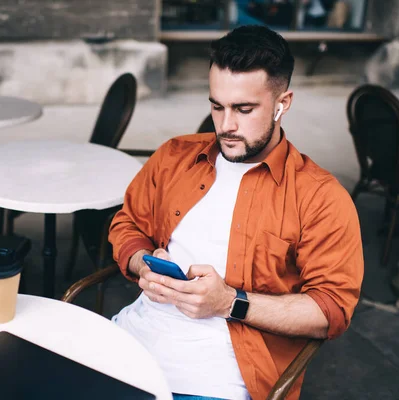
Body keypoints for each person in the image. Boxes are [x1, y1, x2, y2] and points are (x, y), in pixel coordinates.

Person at [109, 25, 363, 400]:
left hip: (220, 376)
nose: (226, 125)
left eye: (244, 109)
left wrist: (230, 302)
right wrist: (141, 263)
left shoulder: (320, 197)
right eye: (216, 106)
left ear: (283, 103)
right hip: (132, 342)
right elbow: (127, 223)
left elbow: (332, 310)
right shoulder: (175, 156)